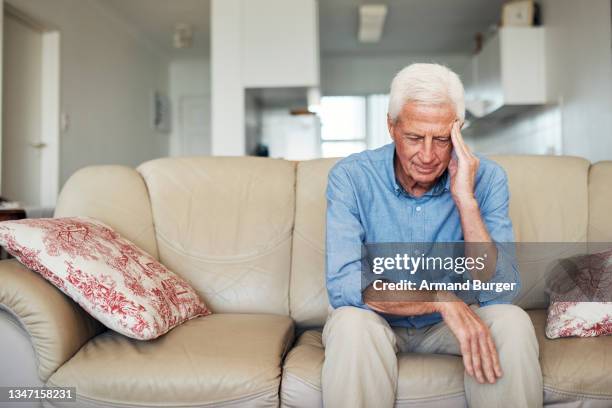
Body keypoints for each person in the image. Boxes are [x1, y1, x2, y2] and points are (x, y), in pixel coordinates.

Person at [324, 63, 543, 407]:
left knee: (512, 322)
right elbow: (345, 285)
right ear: (391, 126)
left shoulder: (488, 179)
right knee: (350, 324)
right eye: (414, 137)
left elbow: (499, 290)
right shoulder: (351, 177)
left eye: (441, 139)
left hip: (453, 324)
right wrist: (439, 298)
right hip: (379, 319)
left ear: (458, 130)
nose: (427, 156)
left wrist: (465, 200)